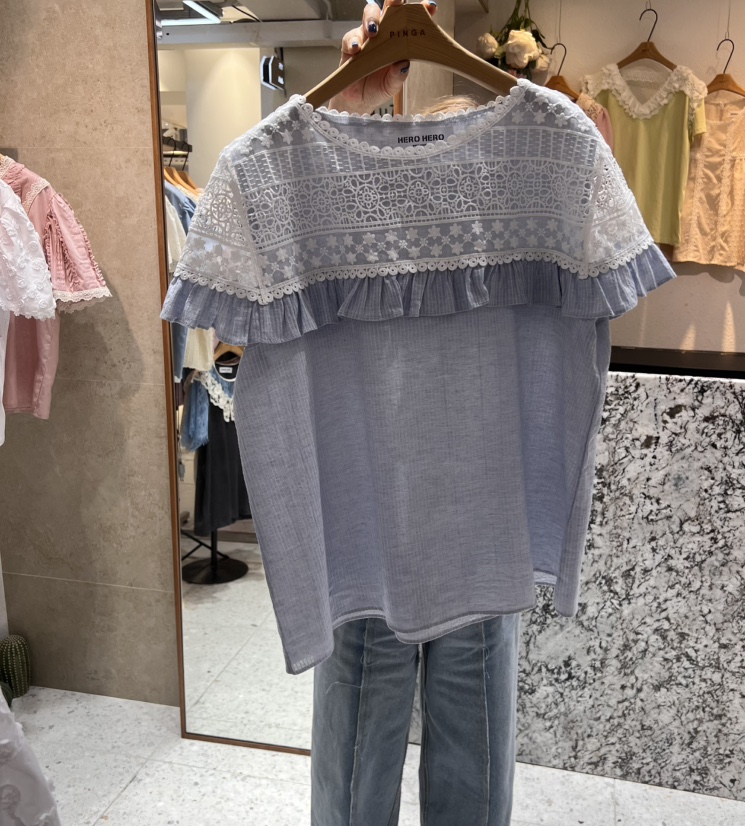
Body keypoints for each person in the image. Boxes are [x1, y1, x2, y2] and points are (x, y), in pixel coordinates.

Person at [310, 4, 523, 825]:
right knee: (357, 759)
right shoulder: (357, 230)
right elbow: (292, 206)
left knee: (471, 763)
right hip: (372, 521)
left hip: (479, 529)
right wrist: (348, 104)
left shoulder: (513, 236)